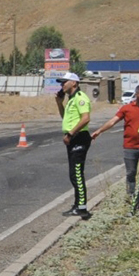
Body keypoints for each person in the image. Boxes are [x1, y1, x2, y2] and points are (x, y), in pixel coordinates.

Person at [90, 84, 139, 204]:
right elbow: (113, 121)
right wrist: (99, 131)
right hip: (130, 147)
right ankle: (130, 196)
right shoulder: (127, 108)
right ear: (136, 95)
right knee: (131, 172)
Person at [55, 72, 93, 219]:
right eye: (61, 83)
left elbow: (86, 118)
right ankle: (78, 204)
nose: (62, 85)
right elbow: (65, 117)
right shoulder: (70, 99)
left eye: (64, 82)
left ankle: (82, 207)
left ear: (74, 83)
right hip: (73, 139)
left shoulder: (80, 98)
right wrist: (59, 102)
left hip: (79, 138)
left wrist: (70, 134)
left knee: (77, 174)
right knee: (73, 174)